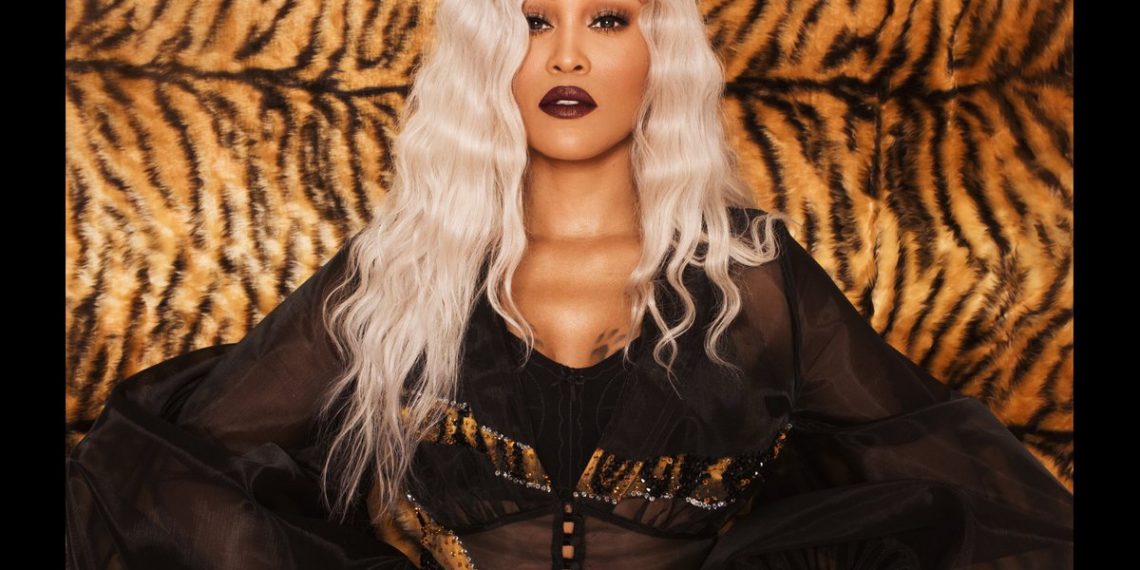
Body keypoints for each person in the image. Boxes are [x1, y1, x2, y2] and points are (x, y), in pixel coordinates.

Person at [65, 0, 1074, 568]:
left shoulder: (752, 279)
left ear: (661, 54)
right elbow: (167, 465)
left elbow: (958, 476)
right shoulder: (403, 270)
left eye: (609, 18)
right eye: (533, 21)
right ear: (487, 58)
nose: (567, 56)